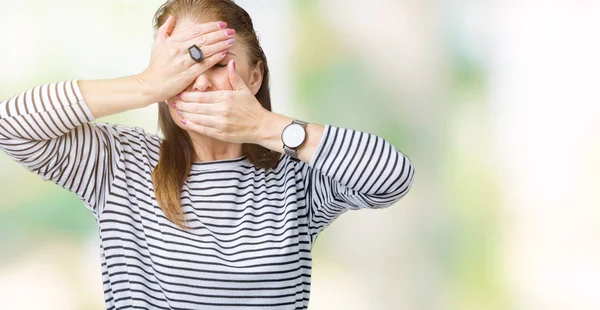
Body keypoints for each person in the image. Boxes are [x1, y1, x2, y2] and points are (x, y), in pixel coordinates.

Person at [0, 0, 415, 308]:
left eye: (218, 64)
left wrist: (264, 126)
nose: (198, 84)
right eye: (180, 66)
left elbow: (392, 178)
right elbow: (12, 125)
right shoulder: (119, 164)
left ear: (254, 77)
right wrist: (146, 85)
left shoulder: (297, 175)